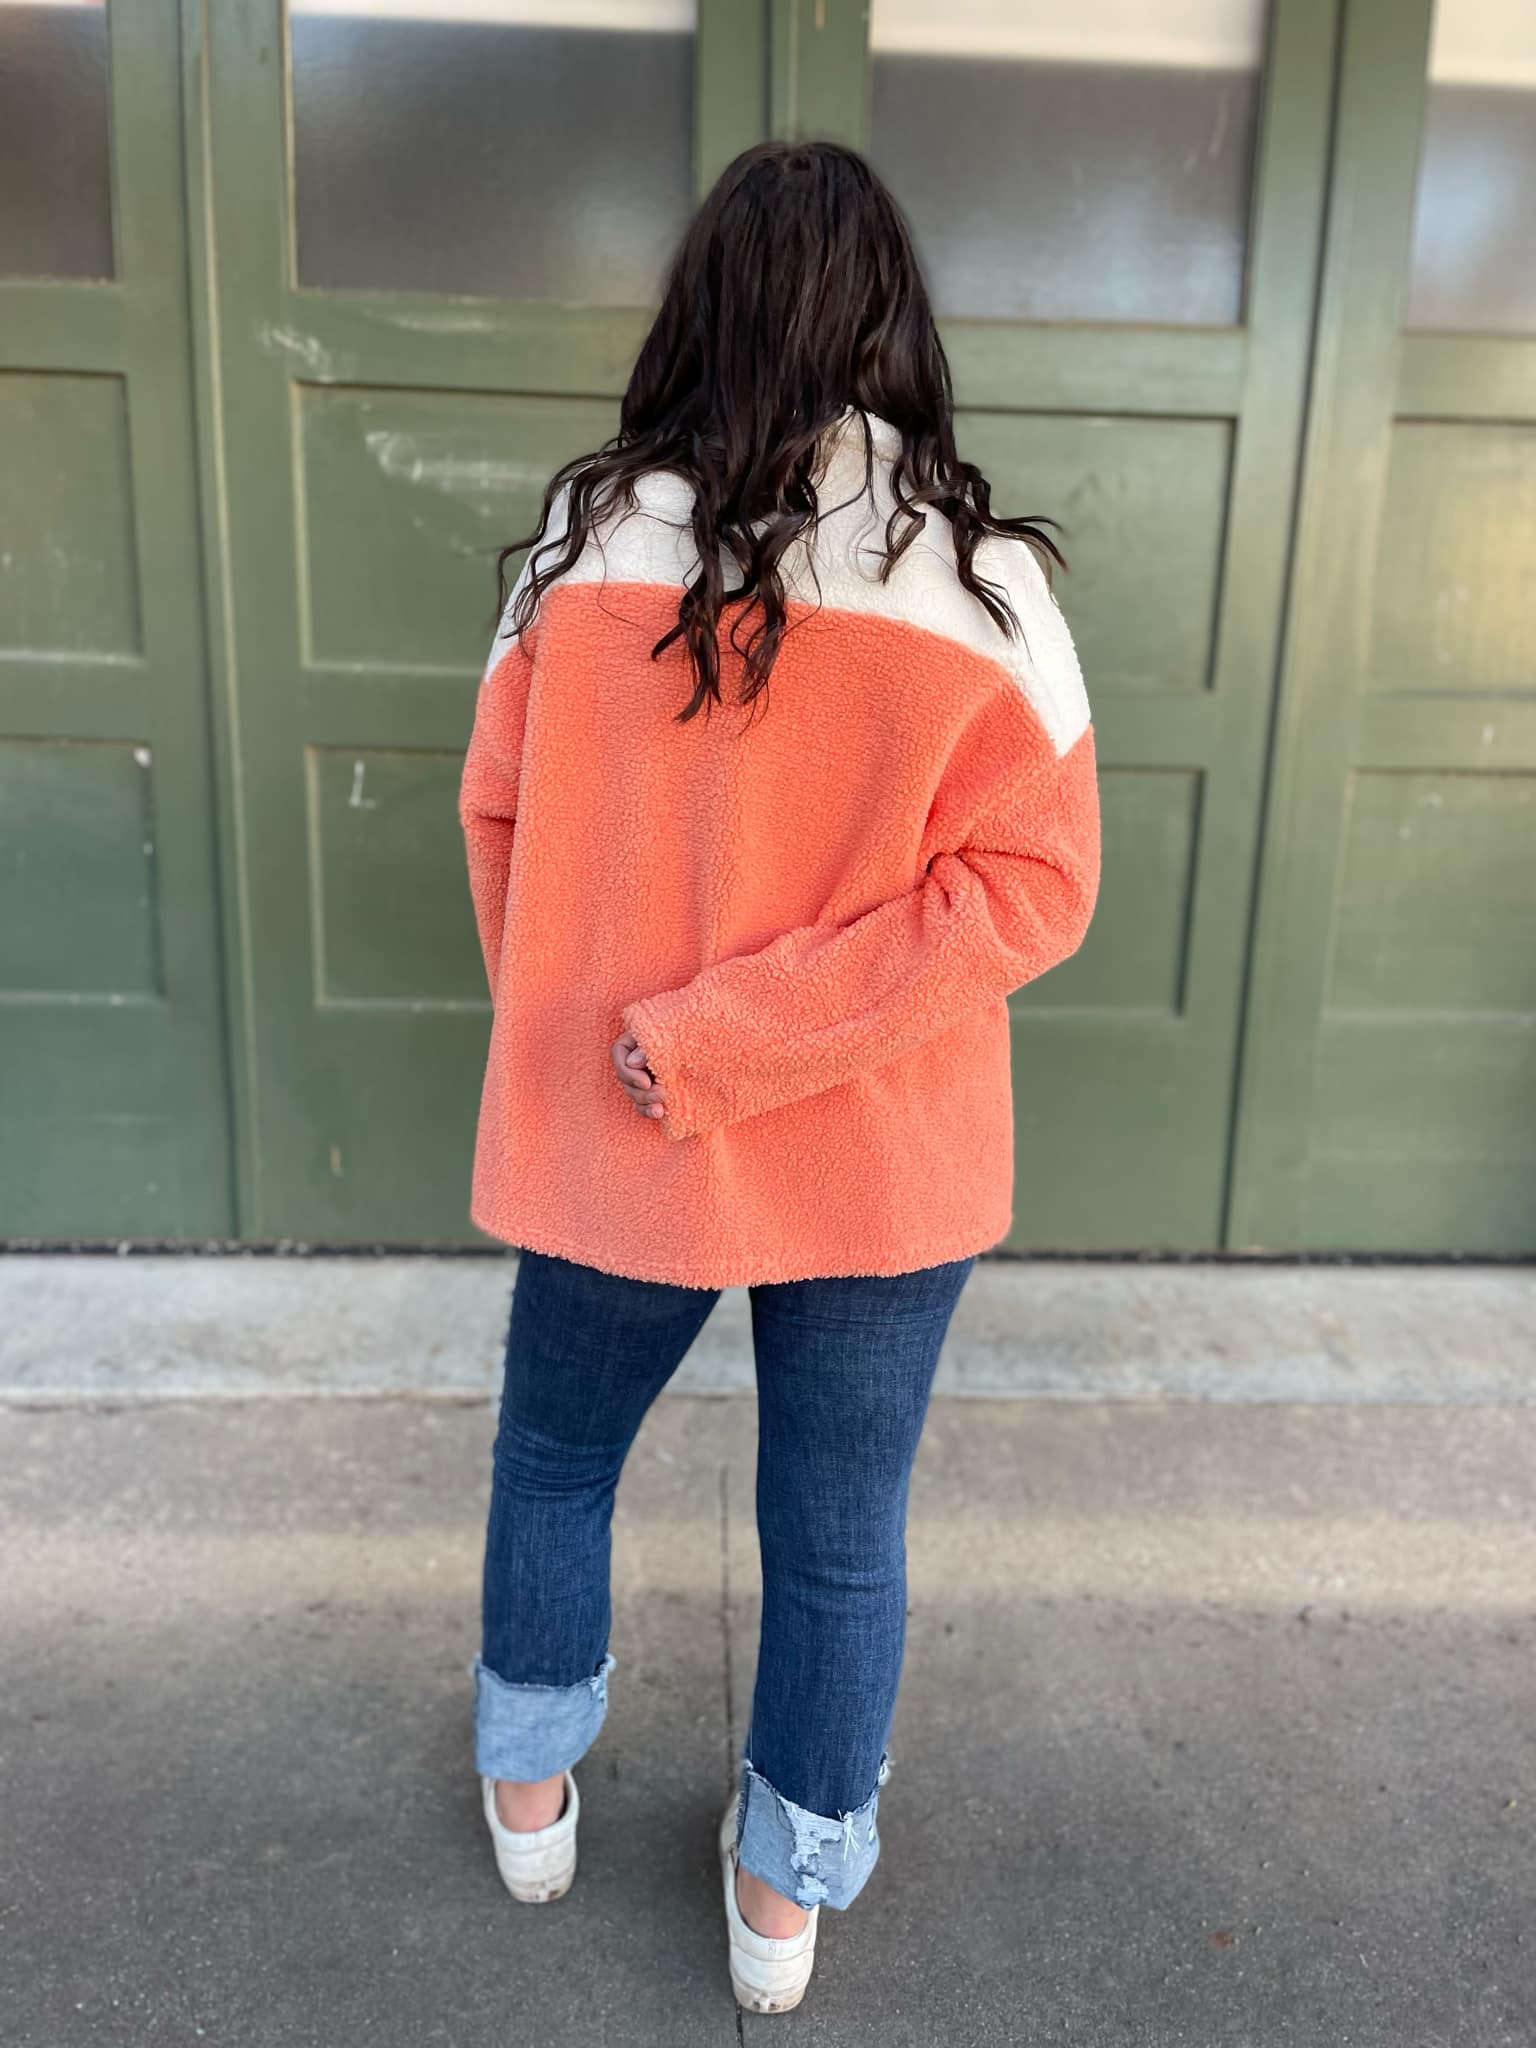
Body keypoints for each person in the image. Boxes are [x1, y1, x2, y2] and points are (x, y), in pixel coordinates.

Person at [457, 138, 1100, 2016]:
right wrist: (763, 1045)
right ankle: (779, 1898)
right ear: (895, 323)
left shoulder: (585, 548)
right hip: (882, 1155)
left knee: (555, 1459)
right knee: (835, 1538)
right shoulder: (985, 587)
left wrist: (638, 1041)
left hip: (620, 1114)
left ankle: (528, 1804)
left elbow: (499, 827)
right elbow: (1037, 887)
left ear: (698, 309)